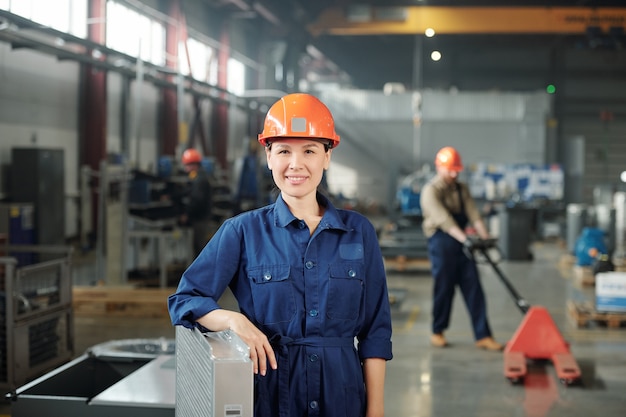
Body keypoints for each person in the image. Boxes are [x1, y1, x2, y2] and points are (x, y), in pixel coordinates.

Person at [168, 93, 393, 417]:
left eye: (310, 151)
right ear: (269, 156)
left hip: (343, 400)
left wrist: (376, 410)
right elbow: (185, 299)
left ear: (327, 156)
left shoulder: (359, 232)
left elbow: (375, 331)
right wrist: (234, 321)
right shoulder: (242, 232)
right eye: (284, 150)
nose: (296, 164)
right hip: (272, 398)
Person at [419, 146, 503, 351]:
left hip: (462, 241)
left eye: (457, 170)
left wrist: (485, 237)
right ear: (439, 168)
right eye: (450, 170)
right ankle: (437, 331)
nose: (454, 174)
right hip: (441, 242)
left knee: (473, 287)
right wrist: (466, 239)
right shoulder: (430, 191)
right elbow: (445, 221)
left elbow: (474, 214)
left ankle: (483, 335)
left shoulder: (461, 188)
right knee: (444, 288)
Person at [179, 148, 212, 256]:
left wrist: (187, 214)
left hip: (200, 219)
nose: (186, 169)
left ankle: (204, 273)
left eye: (187, 165)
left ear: (194, 165)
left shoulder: (199, 180)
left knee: (199, 249)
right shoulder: (197, 178)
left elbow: (197, 199)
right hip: (199, 218)